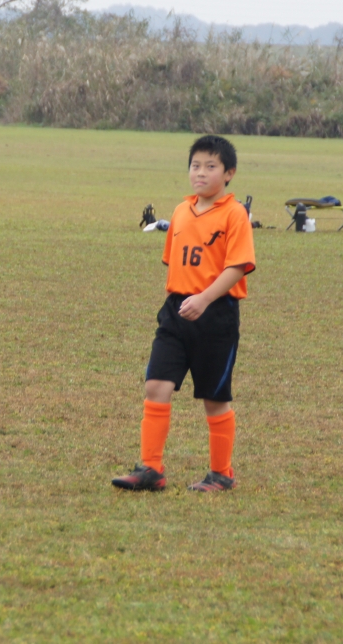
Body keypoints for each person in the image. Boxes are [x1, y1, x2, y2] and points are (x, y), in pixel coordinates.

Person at [112, 135, 256, 493]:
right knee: (156, 385)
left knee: (215, 398)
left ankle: (221, 474)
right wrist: (180, 303)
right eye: (195, 166)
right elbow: (174, 262)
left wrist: (204, 299)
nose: (200, 173)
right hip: (176, 312)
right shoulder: (179, 212)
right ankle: (151, 469)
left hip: (216, 315)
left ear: (229, 173)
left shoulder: (234, 214)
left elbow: (237, 267)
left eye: (211, 166)